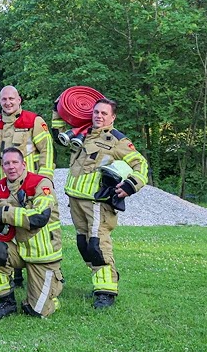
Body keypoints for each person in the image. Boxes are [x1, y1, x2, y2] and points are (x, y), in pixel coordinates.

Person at [64, 97, 149, 309]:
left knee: (98, 246)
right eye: (96, 112)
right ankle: (100, 280)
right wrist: (61, 106)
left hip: (97, 203)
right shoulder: (82, 134)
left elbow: (141, 164)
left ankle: (107, 290)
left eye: (104, 113)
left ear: (113, 117)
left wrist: (130, 185)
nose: (99, 116)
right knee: (84, 245)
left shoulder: (117, 140)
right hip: (75, 200)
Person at [0, 147, 63, 319]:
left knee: (37, 312)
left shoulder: (41, 183)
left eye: (15, 162)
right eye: (6, 163)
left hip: (42, 253)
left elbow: (38, 218)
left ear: (23, 164)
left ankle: (52, 293)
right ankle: (6, 301)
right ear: (2, 167)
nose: (11, 167)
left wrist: (0, 212)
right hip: (16, 248)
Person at [0, 85, 54, 184]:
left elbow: (47, 150)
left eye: (11, 98)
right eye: (4, 99)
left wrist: (45, 179)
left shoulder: (33, 120)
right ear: (0, 101)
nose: (8, 103)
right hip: (1, 184)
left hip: (28, 182)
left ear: (19, 100)